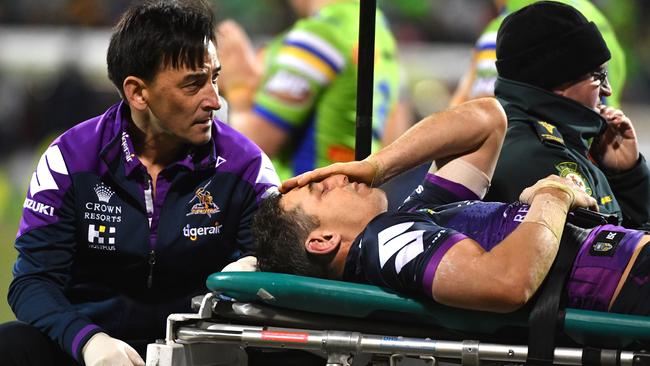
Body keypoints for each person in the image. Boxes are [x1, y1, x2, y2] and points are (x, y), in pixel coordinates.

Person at [0, 1, 280, 365]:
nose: (214, 99)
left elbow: (281, 276)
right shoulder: (70, 160)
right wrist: (89, 341)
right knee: (11, 345)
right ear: (137, 93)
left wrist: (258, 269)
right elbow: (31, 283)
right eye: (194, 83)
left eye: (215, 77)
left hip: (201, 351)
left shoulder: (247, 167)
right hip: (94, 352)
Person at [254, 97, 650, 316]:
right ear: (322, 240)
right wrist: (552, 197)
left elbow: (487, 120)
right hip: (630, 282)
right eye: (323, 191)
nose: (339, 178)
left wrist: (377, 165)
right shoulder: (383, 244)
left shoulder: (404, 220)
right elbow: (507, 283)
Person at [478, 1, 650, 229]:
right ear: (559, 81)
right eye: (598, 75)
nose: (608, 90)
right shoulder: (545, 161)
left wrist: (627, 177)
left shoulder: (537, 136)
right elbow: (615, 259)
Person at [216, 0, 403, 180]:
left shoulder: (320, 35)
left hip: (308, 196)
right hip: (353, 191)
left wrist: (238, 86)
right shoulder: (378, 28)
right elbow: (394, 132)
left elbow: (254, 146)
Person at [449, 0, 627, 108]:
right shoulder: (596, 20)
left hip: (537, 163)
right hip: (595, 160)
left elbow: (482, 111)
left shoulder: (512, 28)